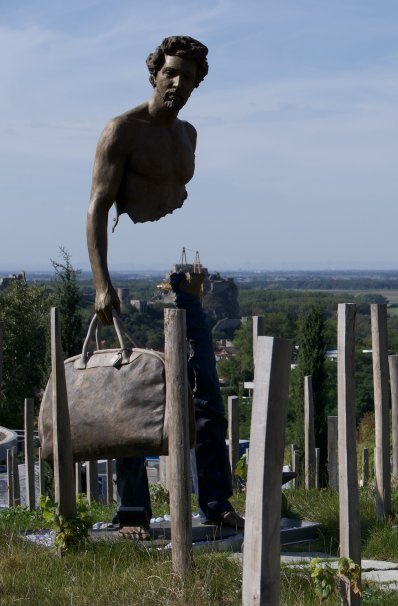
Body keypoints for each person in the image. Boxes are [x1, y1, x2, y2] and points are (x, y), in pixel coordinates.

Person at [86, 36, 243, 533]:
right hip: (130, 282)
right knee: (131, 395)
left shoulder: (189, 135)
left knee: (205, 402)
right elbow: (97, 206)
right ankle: (133, 507)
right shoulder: (121, 131)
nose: (179, 83)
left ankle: (215, 503)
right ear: (154, 72)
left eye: (189, 78)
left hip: (184, 276)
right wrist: (101, 282)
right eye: (171, 73)